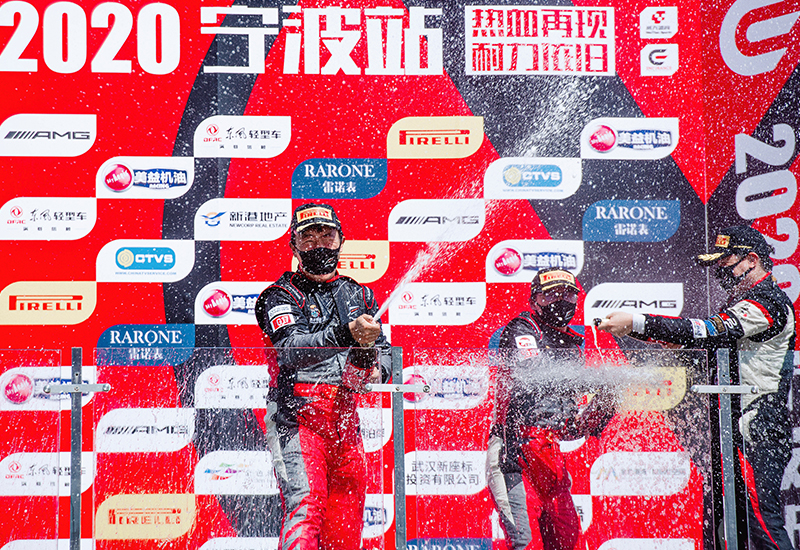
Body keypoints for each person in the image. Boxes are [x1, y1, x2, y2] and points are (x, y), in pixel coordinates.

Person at [597, 225, 796, 550]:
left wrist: (637, 322)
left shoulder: (768, 302)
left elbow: (703, 330)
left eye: (725, 261)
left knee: (762, 525)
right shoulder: (742, 301)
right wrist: (649, 337)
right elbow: (706, 347)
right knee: (720, 526)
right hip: (731, 433)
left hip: (757, 432)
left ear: (752, 259)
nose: (719, 270)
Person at [255, 203, 391, 550]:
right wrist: (346, 334)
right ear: (294, 246)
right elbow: (290, 349)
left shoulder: (359, 294)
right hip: (297, 417)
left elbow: (388, 354)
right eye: (308, 237)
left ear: (340, 241)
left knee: (345, 523)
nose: (318, 244)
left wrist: (373, 365)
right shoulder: (279, 295)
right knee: (307, 506)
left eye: (326, 235)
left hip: (345, 420)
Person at [488, 267, 613, 550]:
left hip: (550, 460)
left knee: (569, 543)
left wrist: (603, 405)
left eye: (568, 294)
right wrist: (593, 379)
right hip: (514, 458)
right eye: (552, 294)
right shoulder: (522, 328)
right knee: (526, 544)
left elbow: (569, 428)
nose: (561, 301)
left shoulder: (572, 346)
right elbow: (533, 372)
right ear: (535, 300)